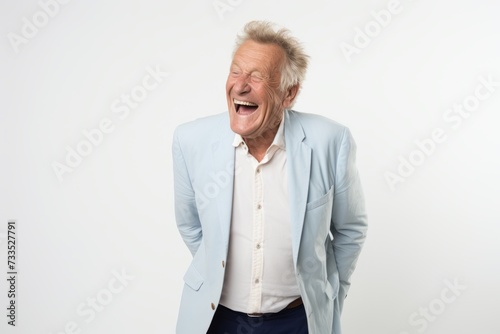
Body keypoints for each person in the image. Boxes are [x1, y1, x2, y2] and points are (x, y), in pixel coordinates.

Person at [172, 20, 368, 334]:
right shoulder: (190, 140)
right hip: (217, 319)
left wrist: (332, 291)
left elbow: (350, 229)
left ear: (289, 93)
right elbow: (190, 225)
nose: (240, 85)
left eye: (257, 76)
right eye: (235, 71)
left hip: (298, 321)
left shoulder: (331, 141)